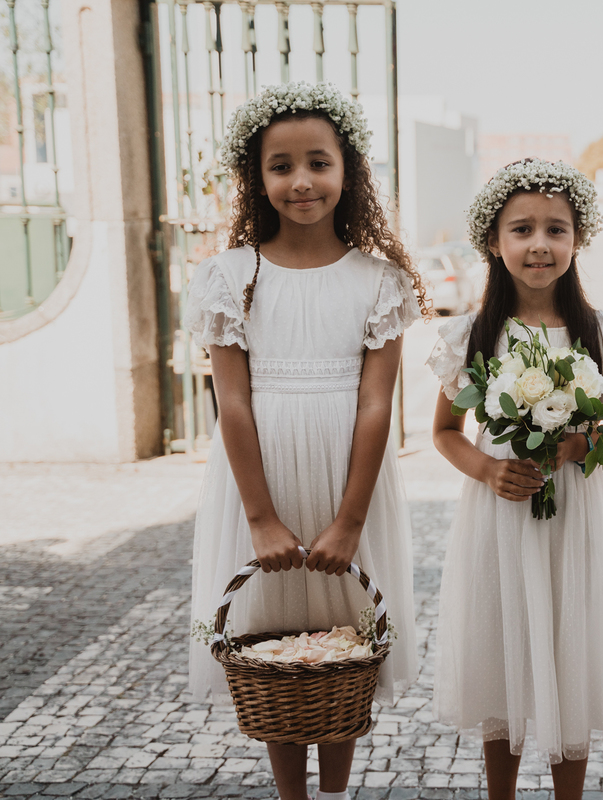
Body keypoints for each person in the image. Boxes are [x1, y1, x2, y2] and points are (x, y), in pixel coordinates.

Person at [185, 81, 426, 800]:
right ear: (256, 180)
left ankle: (336, 794)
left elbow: (378, 406)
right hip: (261, 481)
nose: (301, 181)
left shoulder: (378, 281)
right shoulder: (230, 277)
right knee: (276, 643)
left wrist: (351, 520)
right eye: (280, 166)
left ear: (347, 170)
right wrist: (258, 516)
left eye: (318, 162)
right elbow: (231, 402)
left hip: (349, 482)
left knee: (342, 640)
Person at [427, 159, 603, 800]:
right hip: (499, 515)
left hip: (575, 517)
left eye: (557, 229)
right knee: (501, 652)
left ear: (578, 240)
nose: (540, 245)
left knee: (568, 656)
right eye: (522, 230)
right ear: (495, 241)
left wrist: (580, 444)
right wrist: (490, 468)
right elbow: (444, 432)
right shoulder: (473, 335)